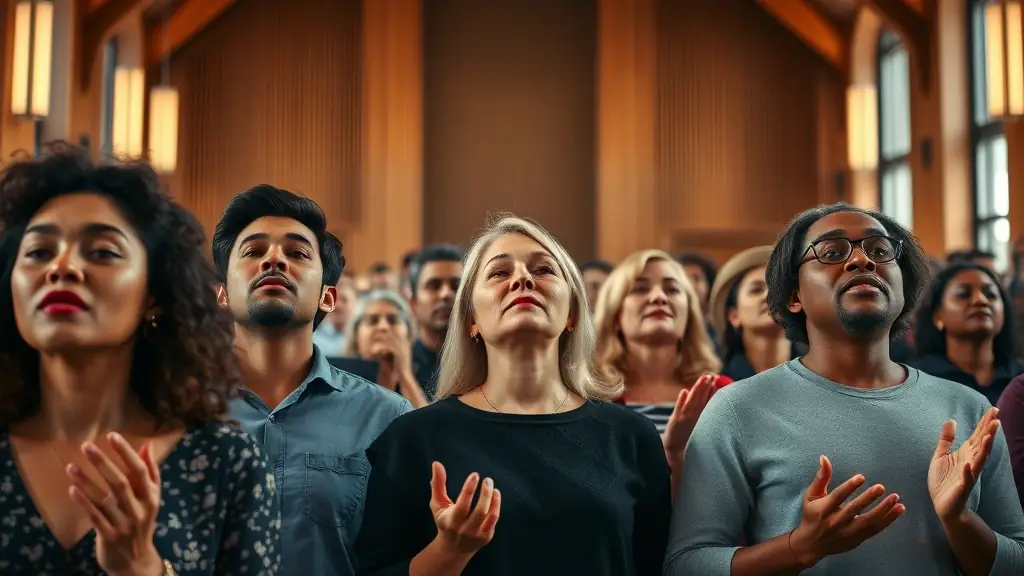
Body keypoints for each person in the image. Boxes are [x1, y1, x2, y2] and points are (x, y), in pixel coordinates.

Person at [665, 203, 1024, 575]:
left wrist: (960, 521)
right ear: (794, 296)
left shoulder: (968, 408)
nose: (861, 261)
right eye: (832, 253)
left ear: (904, 287)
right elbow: (686, 563)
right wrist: (798, 548)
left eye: (880, 251)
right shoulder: (738, 409)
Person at [0, 146, 278, 575]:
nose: (62, 267)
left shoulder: (225, 462)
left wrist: (142, 567)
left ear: (153, 293)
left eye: (102, 252)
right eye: (38, 252)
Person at [355, 215, 671, 576]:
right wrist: (448, 552)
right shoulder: (411, 439)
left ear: (571, 313)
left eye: (544, 269)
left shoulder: (632, 438)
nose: (523, 278)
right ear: (471, 319)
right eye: (500, 273)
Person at [213, 184, 411, 576]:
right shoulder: (173, 410)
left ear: (328, 297)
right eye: (253, 252)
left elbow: (396, 559)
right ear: (222, 294)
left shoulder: (384, 416)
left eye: (297, 253)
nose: (274, 260)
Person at [912, 262, 1021, 405]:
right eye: (964, 294)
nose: (981, 300)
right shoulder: (915, 383)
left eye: (991, 295)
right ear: (938, 315)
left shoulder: (1019, 380)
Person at [708, 246, 795, 381]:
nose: (770, 295)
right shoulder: (717, 387)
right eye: (756, 290)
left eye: (778, 287)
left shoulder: (823, 375)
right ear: (734, 316)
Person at [343, 290, 429, 408]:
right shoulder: (342, 378)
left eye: (393, 320)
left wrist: (405, 375)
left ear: (408, 334)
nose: (383, 327)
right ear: (356, 336)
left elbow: (428, 424)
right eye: (372, 320)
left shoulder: (428, 373)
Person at [408, 244, 463, 400]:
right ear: (413, 305)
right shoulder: (399, 368)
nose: (445, 294)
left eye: (456, 286)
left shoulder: (488, 364)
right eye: (434, 286)